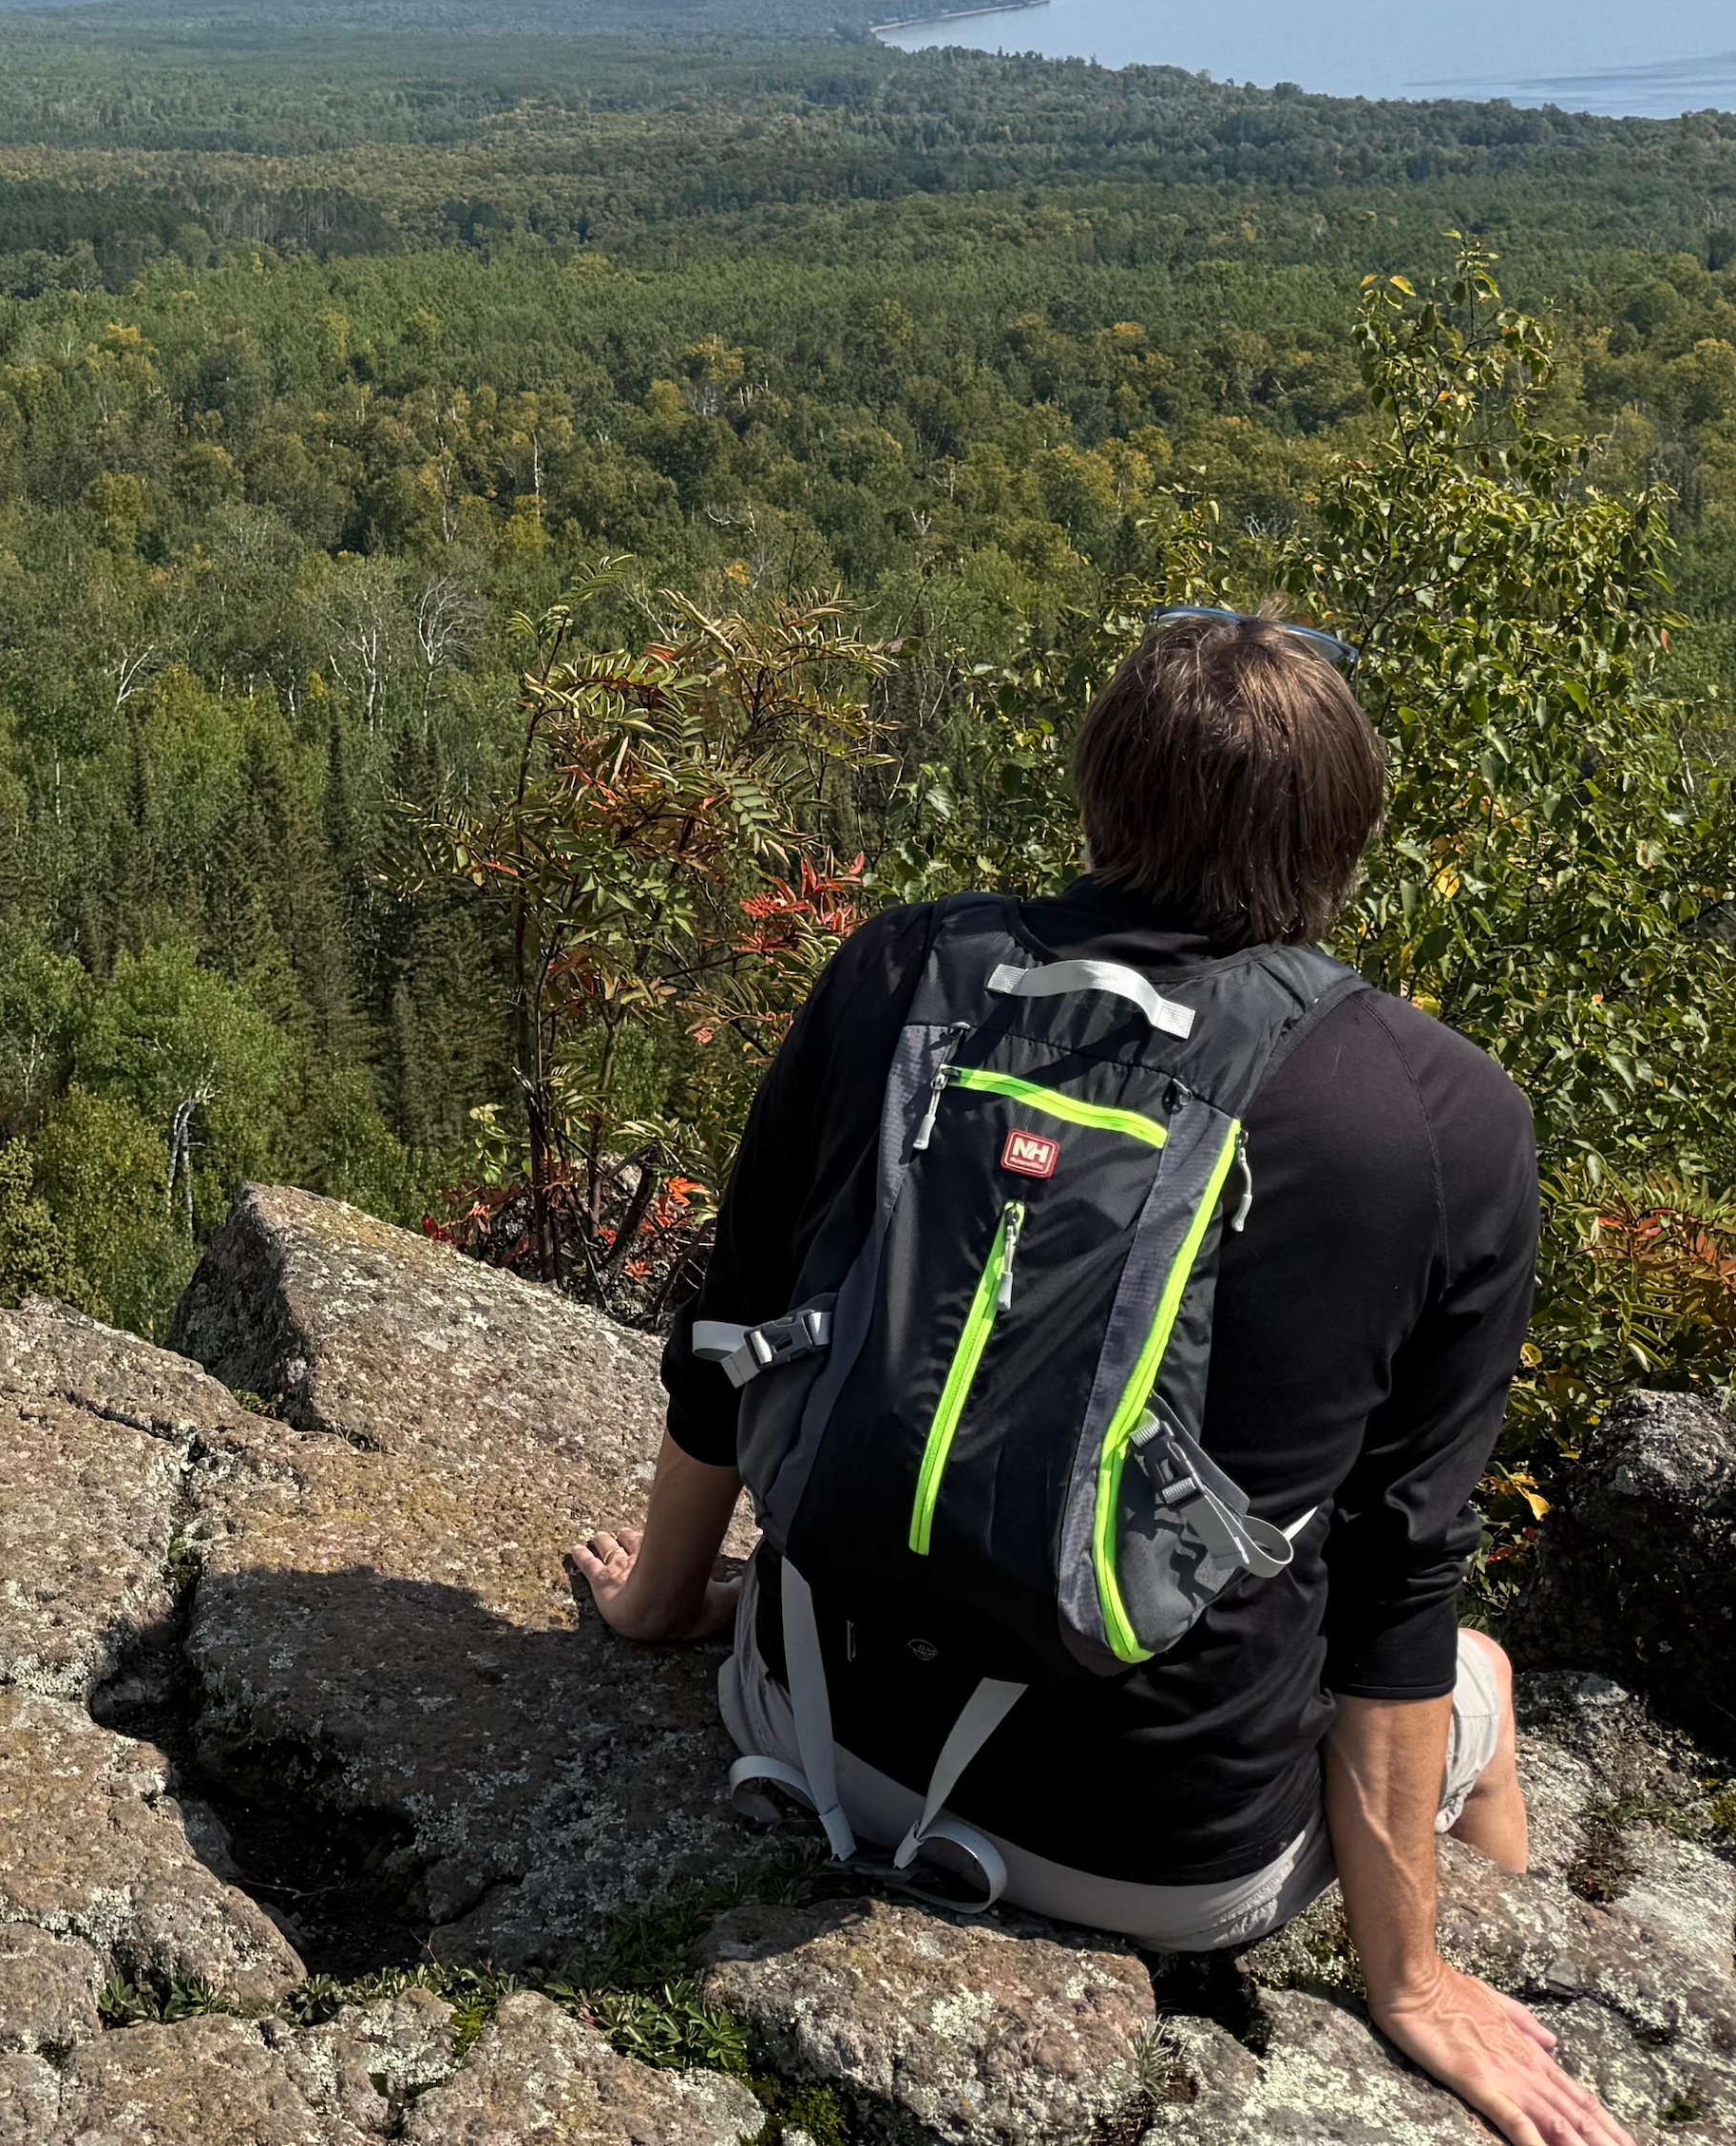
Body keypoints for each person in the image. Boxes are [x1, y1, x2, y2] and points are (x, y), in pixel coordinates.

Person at [569, 610, 1628, 2146]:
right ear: (1346, 838)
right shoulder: (1445, 1118)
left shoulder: (903, 970)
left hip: (806, 1719)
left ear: (1099, 794)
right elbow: (1402, 1571)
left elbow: (730, 1333)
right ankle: (1499, 1935)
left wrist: (667, 1606)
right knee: (1487, 1676)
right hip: (1161, 1856)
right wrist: (1412, 1978)